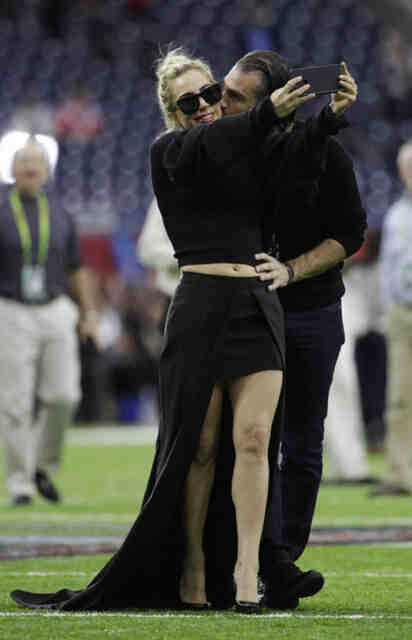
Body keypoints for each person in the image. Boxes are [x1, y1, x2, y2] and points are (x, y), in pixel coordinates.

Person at [11, 47, 315, 612]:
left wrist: (326, 120)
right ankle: (194, 566)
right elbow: (216, 142)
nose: (204, 106)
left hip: (255, 304)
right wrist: (264, 115)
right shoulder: (171, 150)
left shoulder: (250, 144)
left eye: (211, 94)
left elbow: (297, 173)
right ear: (173, 113)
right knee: (198, 449)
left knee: (255, 440)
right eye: (188, 102)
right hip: (200, 306)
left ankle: (247, 571)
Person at [219, 50, 366, 608]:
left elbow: (349, 234)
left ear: (276, 102)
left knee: (303, 443)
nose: (221, 103)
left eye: (235, 96)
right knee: (256, 438)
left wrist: (291, 269)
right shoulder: (230, 150)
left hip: (312, 310)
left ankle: (281, 559)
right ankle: (265, 562)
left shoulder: (327, 154)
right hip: (251, 311)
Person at [0, 139, 98, 506]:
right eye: (23, 161)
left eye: (36, 162)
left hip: (56, 307)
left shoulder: (60, 212)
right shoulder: (1, 209)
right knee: (15, 402)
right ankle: (21, 484)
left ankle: (41, 465)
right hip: (11, 309)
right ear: (12, 169)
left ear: (46, 170)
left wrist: (88, 315)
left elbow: (77, 268)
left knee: (64, 396)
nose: (30, 168)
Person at [370, 140, 412, 497]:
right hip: (402, 312)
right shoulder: (397, 214)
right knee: (399, 398)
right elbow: (387, 269)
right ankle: (400, 474)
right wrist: (387, 310)